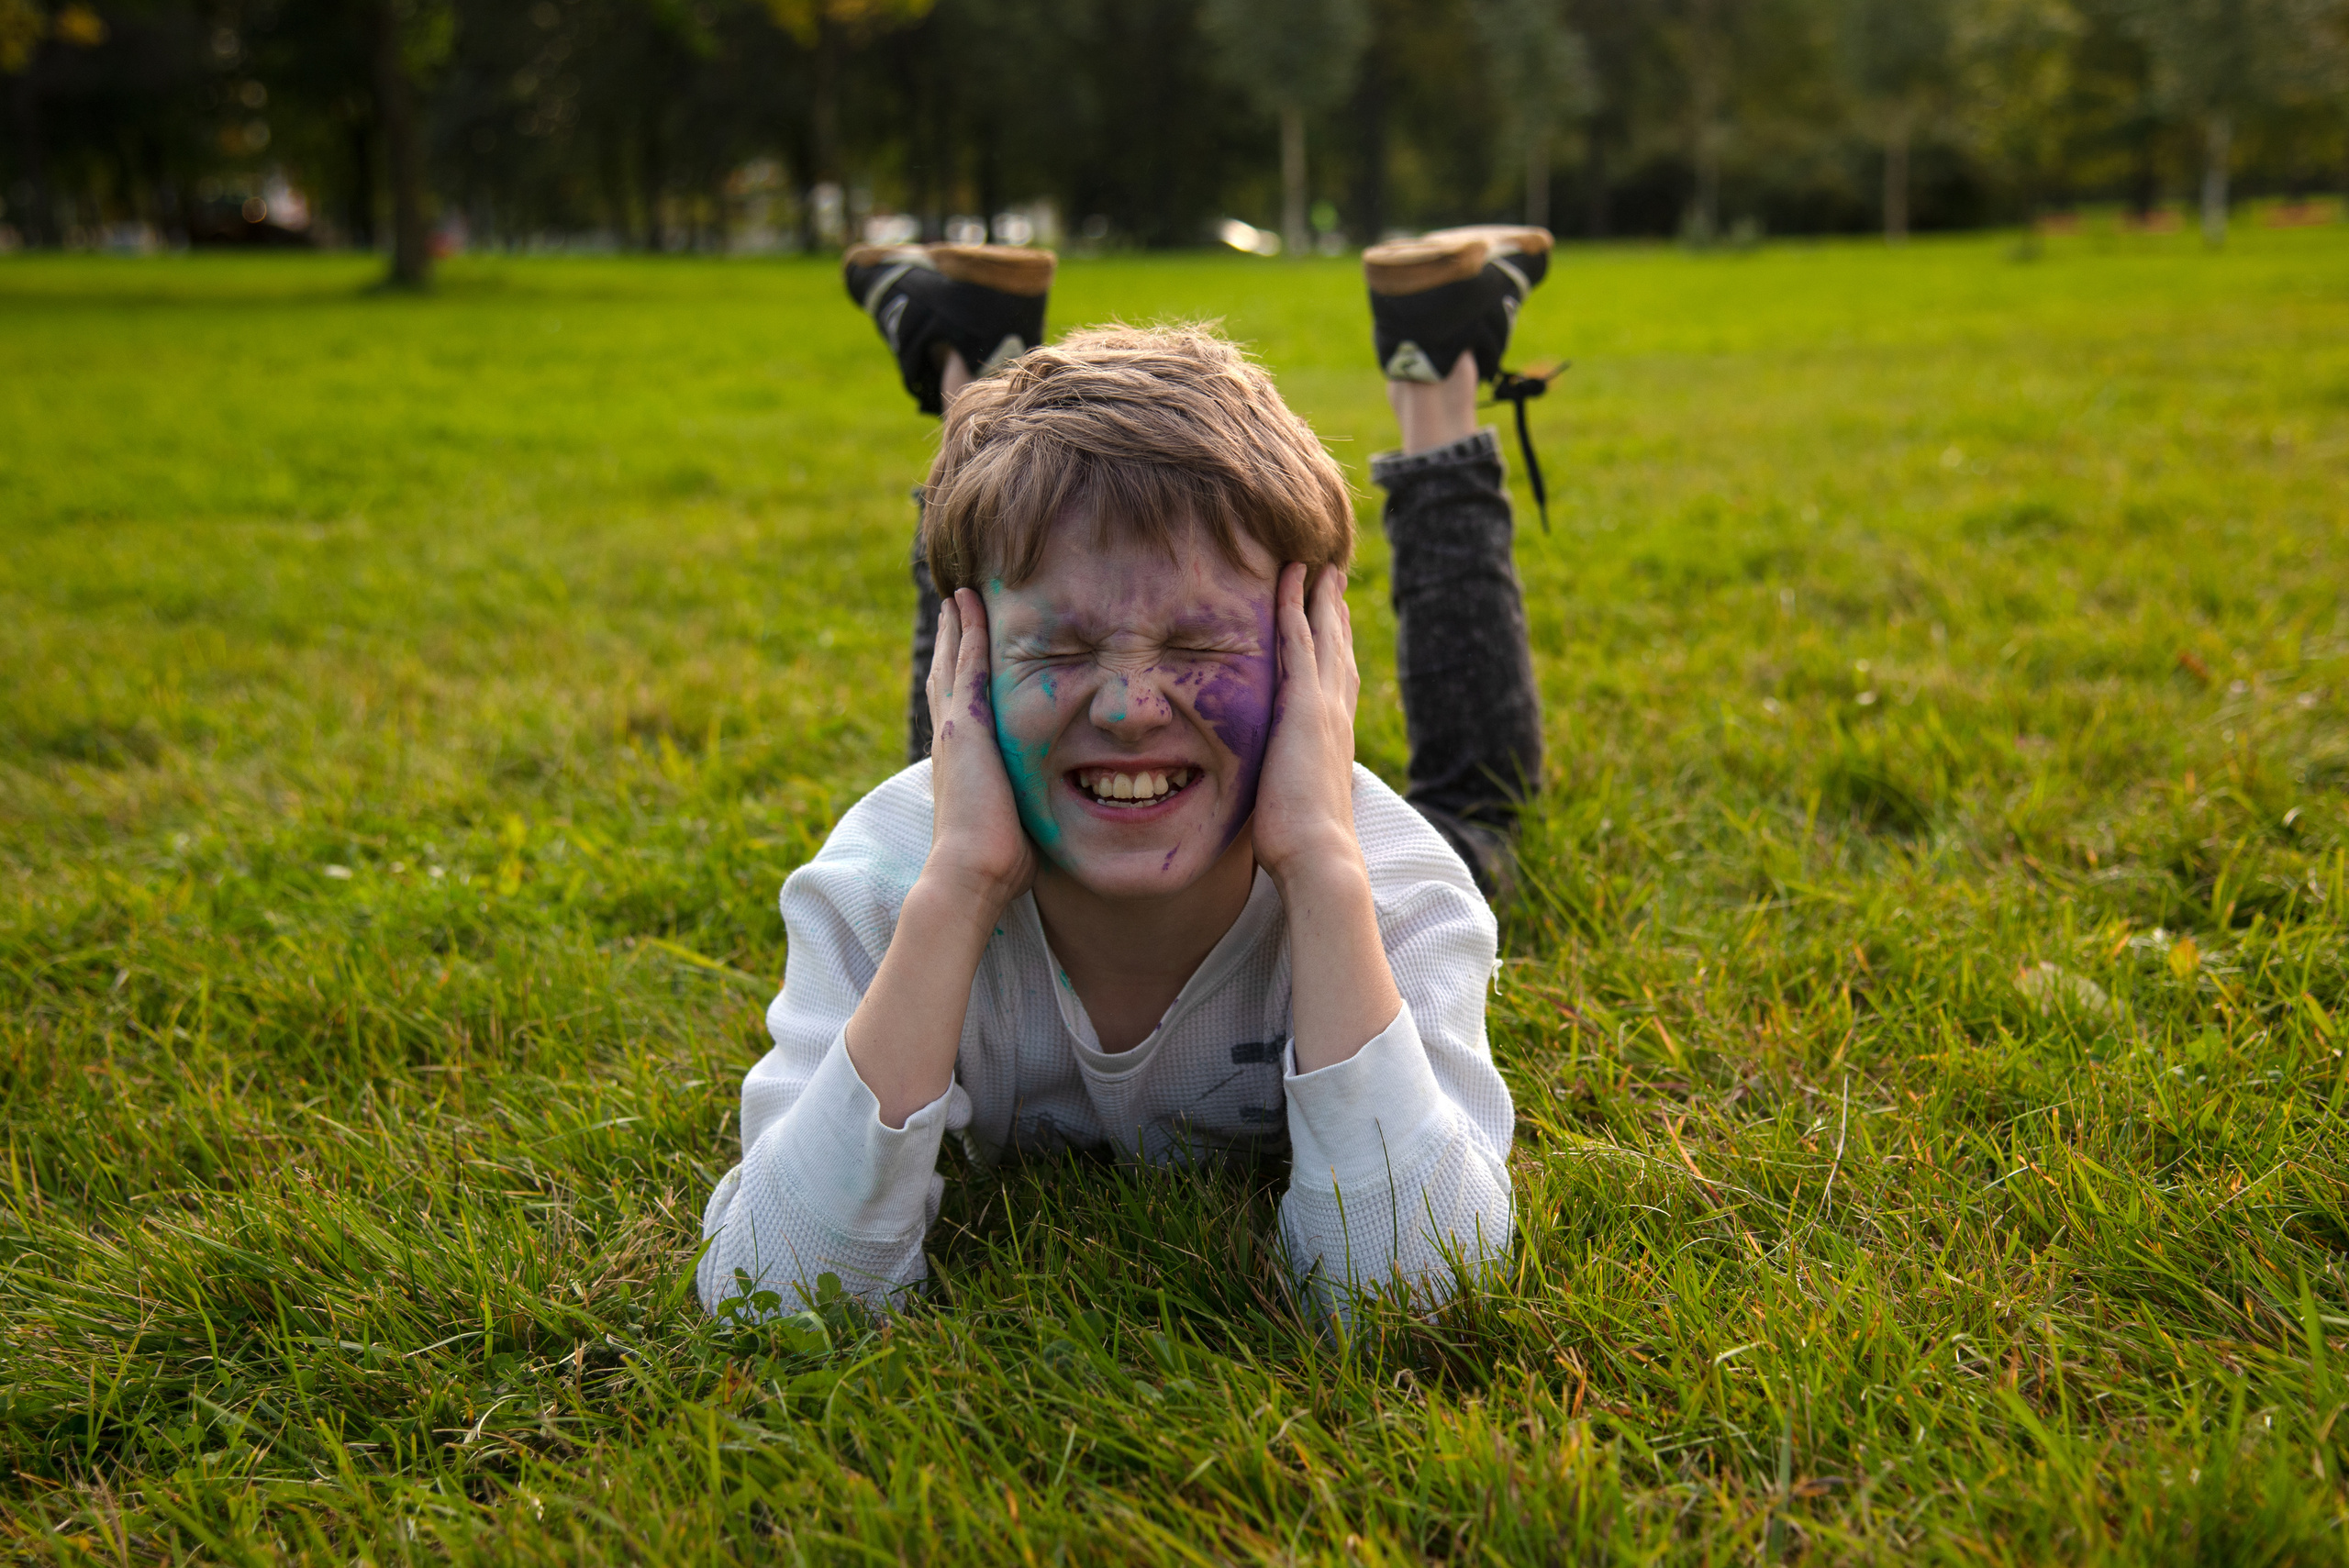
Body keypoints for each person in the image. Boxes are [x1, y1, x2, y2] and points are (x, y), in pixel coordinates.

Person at [696, 228, 1552, 1318]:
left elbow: (1414, 1293)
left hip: (1286, 817)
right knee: (990, 649)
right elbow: (771, 1301)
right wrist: (957, 883)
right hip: (989, 803)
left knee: (1475, 818)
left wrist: (1322, 864)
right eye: (1060, 651)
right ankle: (975, 383)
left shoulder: (1394, 889)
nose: (1131, 706)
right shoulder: (885, 883)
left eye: (1196, 645)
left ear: (1312, 657)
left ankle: (1439, 375)